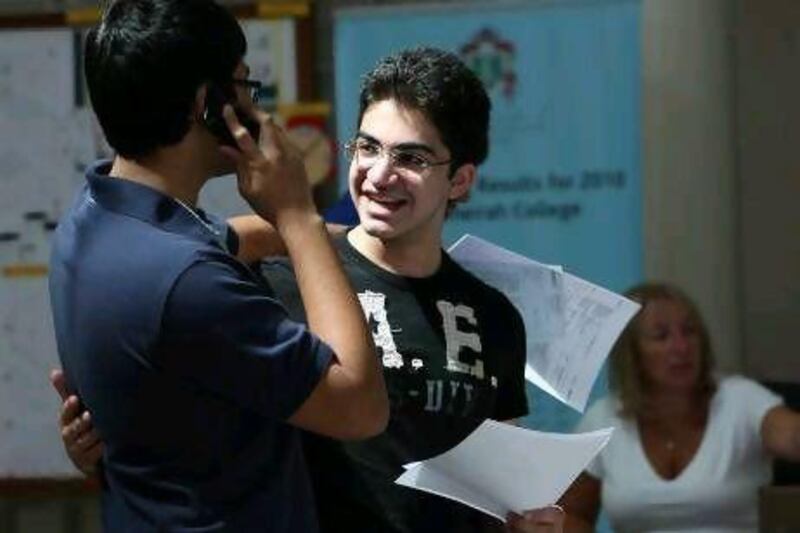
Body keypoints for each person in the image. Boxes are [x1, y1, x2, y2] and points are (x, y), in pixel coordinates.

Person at [53, 46, 564, 532]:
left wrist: (530, 521)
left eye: (411, 158)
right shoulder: (275, 280)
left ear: (460, 180)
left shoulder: (494, 316)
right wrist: (105, 450)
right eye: (368, 147)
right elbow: (187, 426)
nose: (380, 175)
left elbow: (508, 490)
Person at [48, 1, 388, 531]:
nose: (257, 108)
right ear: (208, 105)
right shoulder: (188, 281)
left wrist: (364, 239)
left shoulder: (94, 218)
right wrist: (297, 214)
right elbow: (359, 406)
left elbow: (230, 240)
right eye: (245, 86)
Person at [559, 282, 800, 532]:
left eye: (689, 331)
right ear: (631, 352)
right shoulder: (603, 418)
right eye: (661, 336)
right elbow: (569, 514)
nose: (681, 347)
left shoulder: (740, 398)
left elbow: (791, 435)